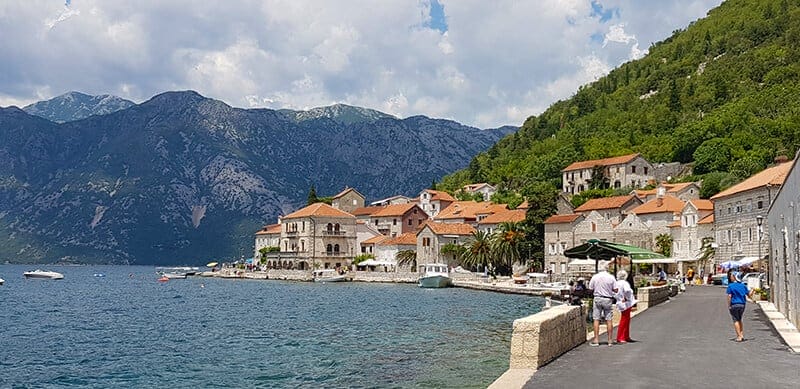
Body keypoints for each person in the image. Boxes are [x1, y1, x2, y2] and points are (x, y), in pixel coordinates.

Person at [588, 263, 618, 347]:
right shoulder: (611, 277)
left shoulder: (595, 277)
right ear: (607, 268)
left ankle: (596, 340)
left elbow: (590, 289)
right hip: (607, 299)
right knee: (608, 319)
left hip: (597, 298)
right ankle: (609, 340)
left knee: (596, 319)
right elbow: (616, 290)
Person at [726, 270, 754, 342]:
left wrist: (729, 305)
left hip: (734, 304)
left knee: (735, 320)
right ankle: (741, 334)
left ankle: (739, 336)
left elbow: (729, 296)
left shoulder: (731, 286)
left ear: (735, 277)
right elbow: (749, 295)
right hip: (742, 304)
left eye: (732, 276)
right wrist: (752, 290)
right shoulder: (743, 285)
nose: (731, 277)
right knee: (740, 319)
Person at [614, 270, 637, 344]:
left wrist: (619, 298)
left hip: (620, 302)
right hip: (626, 303)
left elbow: (614, 293)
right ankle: (621, 337)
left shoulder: (616, 283)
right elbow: (628, 291)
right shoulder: (624, 283)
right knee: (624, 320)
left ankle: (625, 336)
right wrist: (626, 297)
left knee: (626, 320)